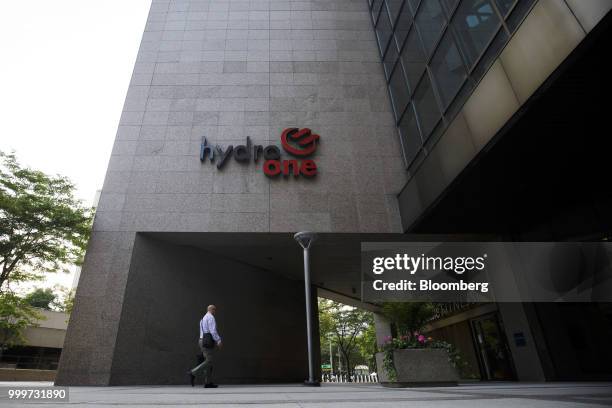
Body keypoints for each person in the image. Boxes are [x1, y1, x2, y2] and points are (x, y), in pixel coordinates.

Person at [188, 305, 222, 388]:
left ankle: (208, 382)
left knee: (208, 362)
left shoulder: (203, 319)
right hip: (207, 341)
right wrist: (218, 340)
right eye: (214, 310)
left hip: (202, 340)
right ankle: (193, 372)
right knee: (209, 360)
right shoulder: (210, 318)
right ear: (211, 309)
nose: (215, 311)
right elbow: (213, 330)